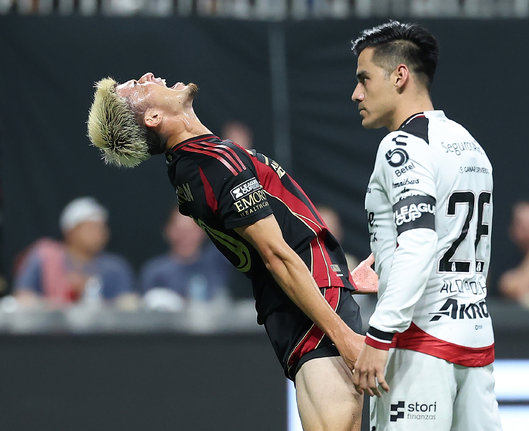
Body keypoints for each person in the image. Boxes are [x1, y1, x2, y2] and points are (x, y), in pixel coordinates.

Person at [86, 72, 377, 430]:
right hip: (313, 307)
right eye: (140, 86)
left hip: (301, 301)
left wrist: (338, 274)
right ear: (153, 118)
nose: (149, 76)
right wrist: (343, 334)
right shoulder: (213, 164)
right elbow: (277, 257)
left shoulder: (188, 167)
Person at [350, 21, 502, 430]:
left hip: (419, 343)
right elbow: (454, 237)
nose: (356, 94)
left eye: (364, 79)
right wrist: (384, 260)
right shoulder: (469, 143)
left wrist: (379, 337)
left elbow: (419, 240)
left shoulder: (401, 145)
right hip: (475, 337)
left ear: (399, 76)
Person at [13, 197, 136, 308]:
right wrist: (63, 304)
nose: (99, 233)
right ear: (70, 232)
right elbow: (24, 298)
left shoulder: (115, 266)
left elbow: (128, 303)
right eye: (90, 228)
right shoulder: (44, 257)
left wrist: (90, 296)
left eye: (101, 228)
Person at [139, 206, 233, 307]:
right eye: (180, 230)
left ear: (202, 231)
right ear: (169, 231)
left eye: (191, 230)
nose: (185, 236)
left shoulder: (217, 261)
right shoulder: (155, 271)